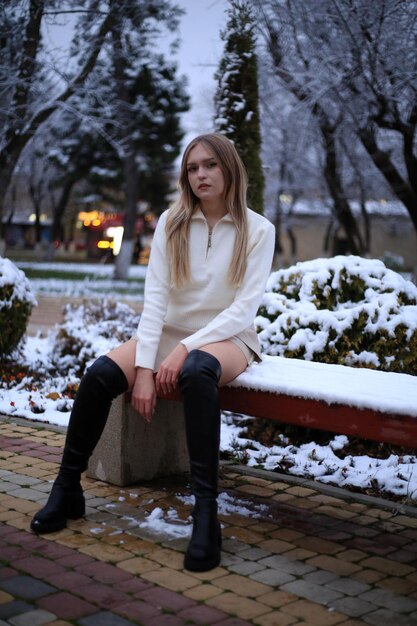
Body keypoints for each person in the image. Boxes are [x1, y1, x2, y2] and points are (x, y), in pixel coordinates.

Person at [30, 133, 276, 572]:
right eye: (192, 167)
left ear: (229, 168)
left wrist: (183, 348)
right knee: (99, 375)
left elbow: (243, 309)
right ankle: (67, 488)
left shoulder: (259, 230)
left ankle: (206, 514)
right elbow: (156, 299)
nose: (200, 174)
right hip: (169, 331)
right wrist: (144, 368)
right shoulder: (172, 221)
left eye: (210, 165)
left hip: (230, 337)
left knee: (197, 370)